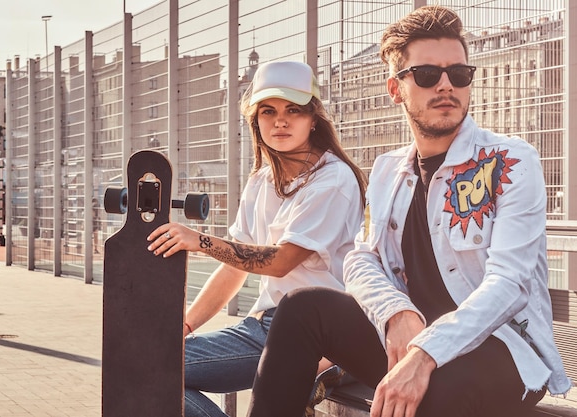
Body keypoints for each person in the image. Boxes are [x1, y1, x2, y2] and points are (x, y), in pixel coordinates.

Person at [246, 6, 572, 417]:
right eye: (427, 75)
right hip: (412, 335)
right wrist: (395, 312)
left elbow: (509, 284)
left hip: (500, 349)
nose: (446, 86)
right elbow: (361, 258)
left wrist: (424, 353)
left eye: (458, 74)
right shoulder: (386, 171)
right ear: (396, 88)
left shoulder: (509, 162)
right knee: (301, 308)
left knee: (436, 393)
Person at [146, 60, 368, 417]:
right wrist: (185, 325)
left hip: (315, 332)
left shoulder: (333, 180)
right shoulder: (261, 181)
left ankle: (326, 367)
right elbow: (234, 270)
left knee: (151, 369)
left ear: (313, 119)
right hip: (265, 325)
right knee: (148, 361)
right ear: (256, 120)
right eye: (269, 111)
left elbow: (280, 262)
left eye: (293, 110)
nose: (280, 120)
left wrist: (198, 240)